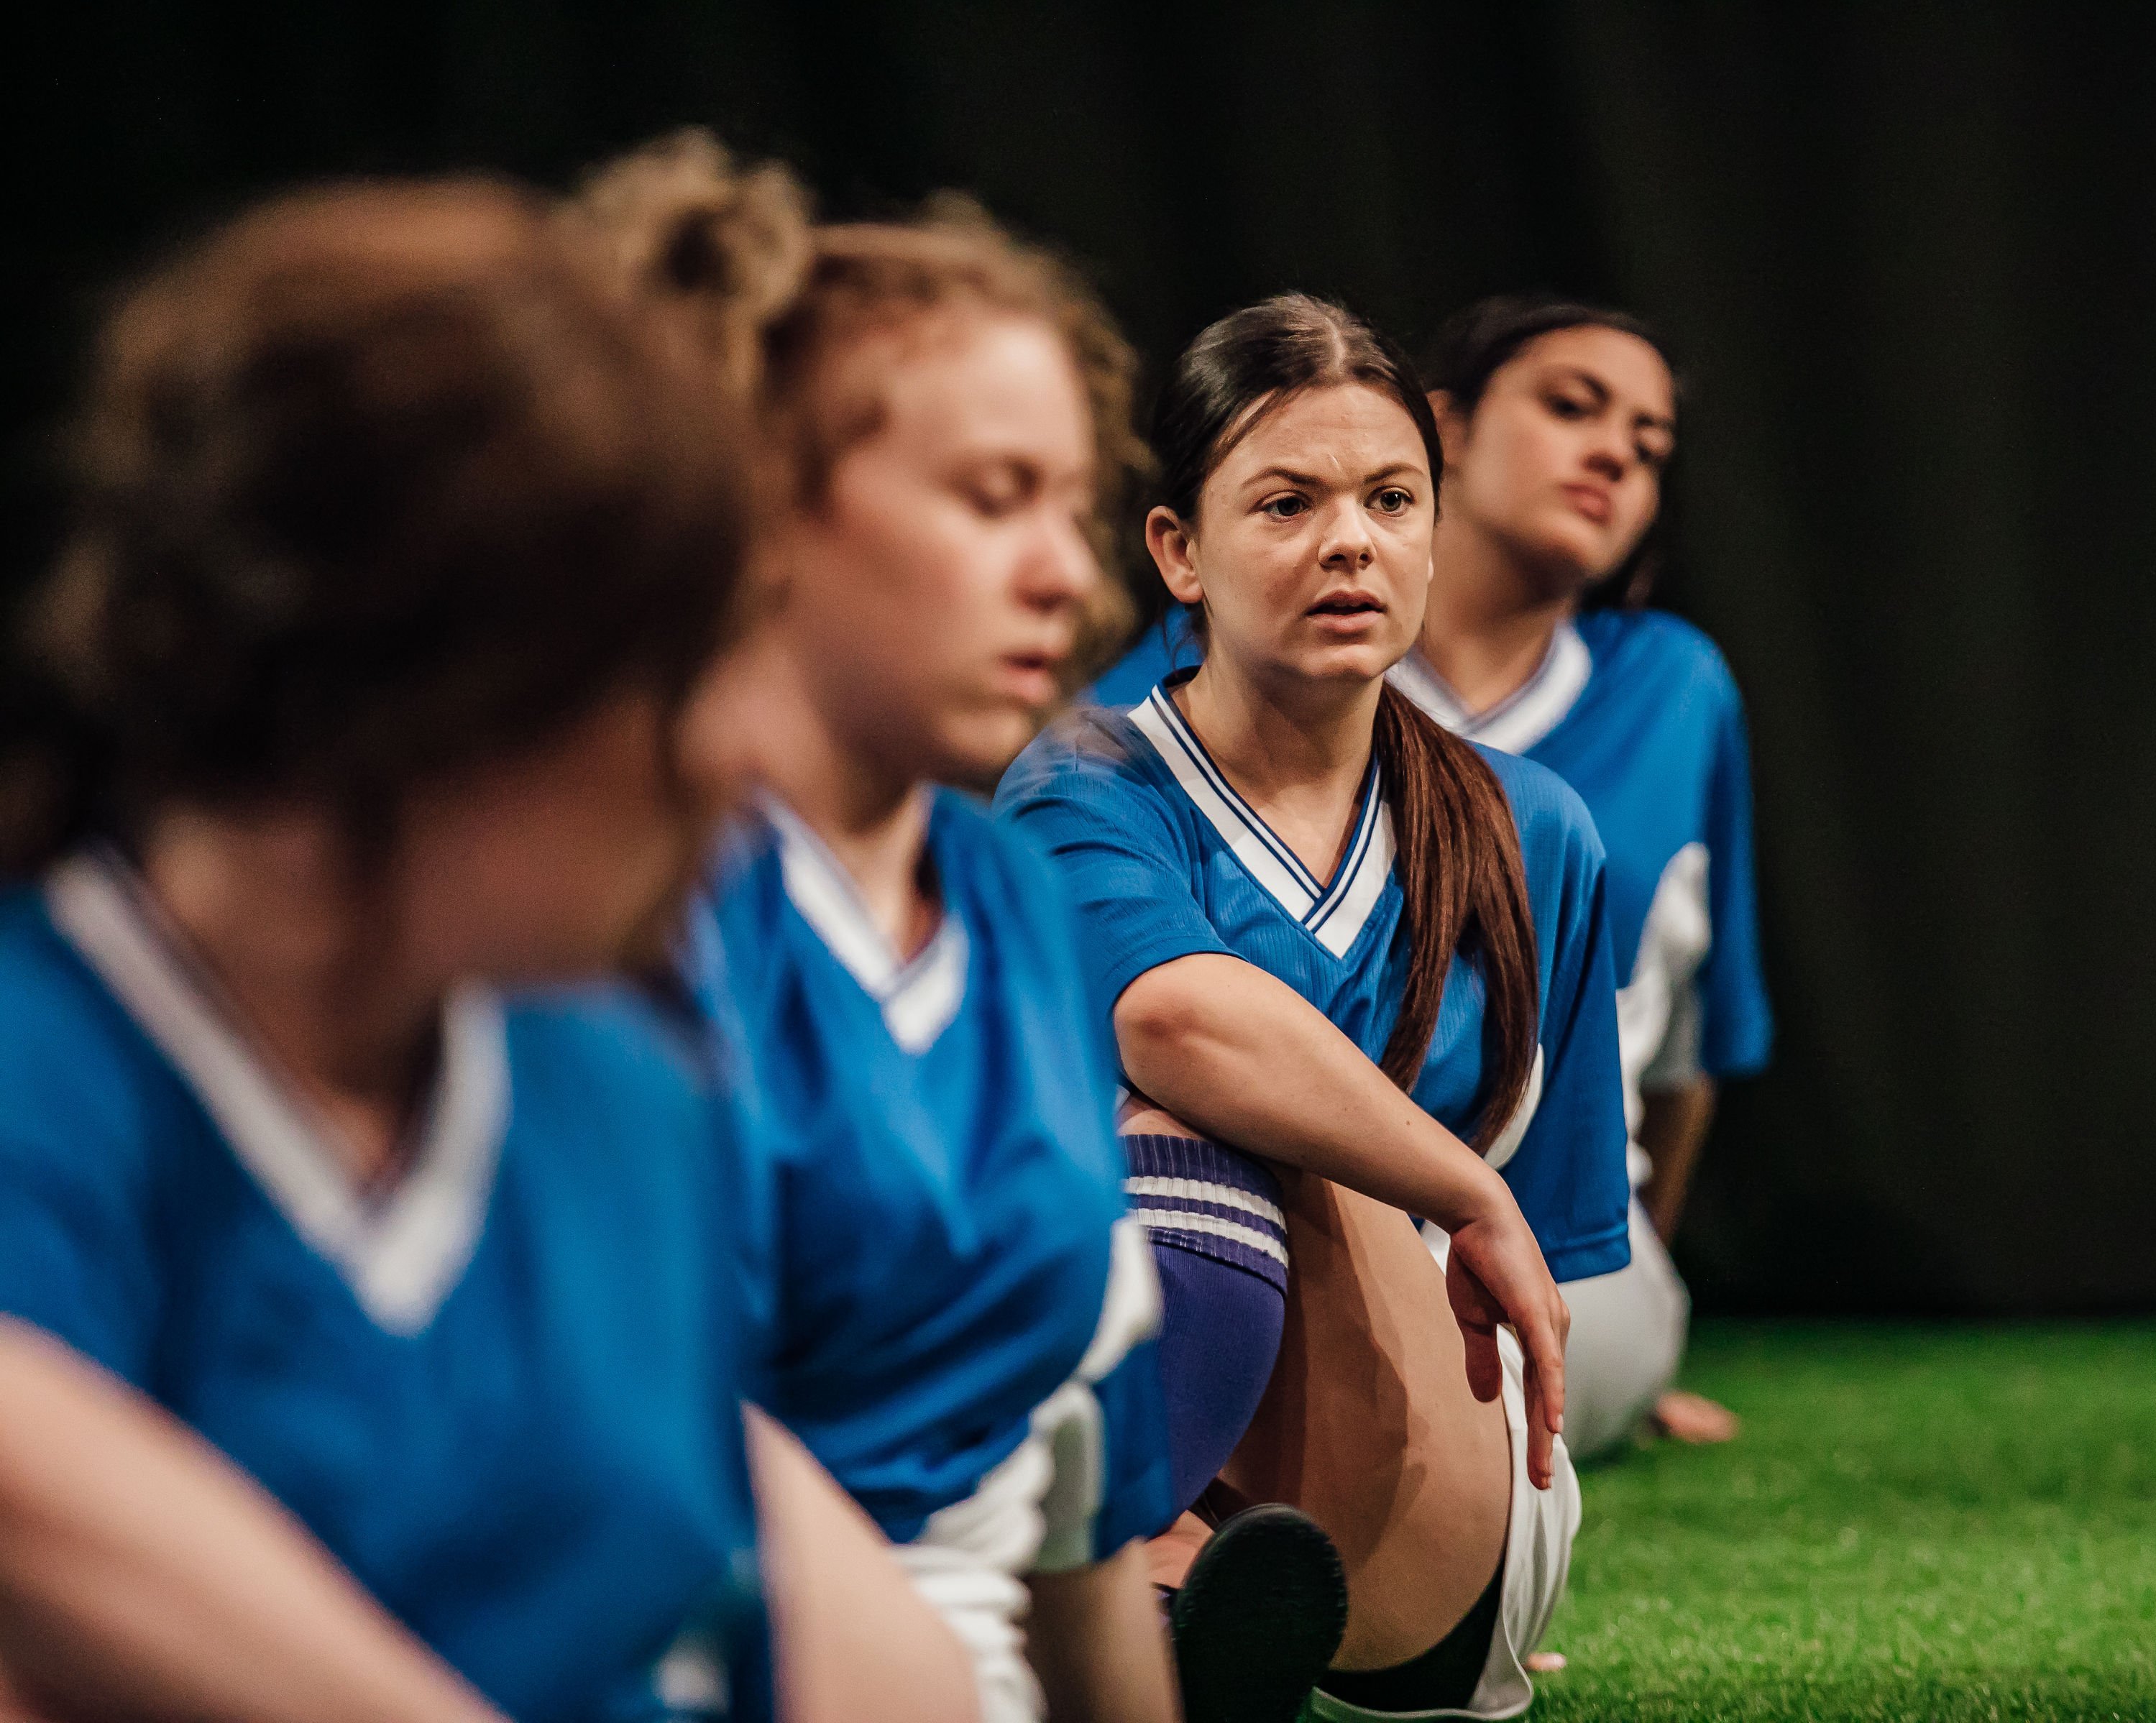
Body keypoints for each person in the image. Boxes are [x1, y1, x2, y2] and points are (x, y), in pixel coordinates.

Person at [0, 178, 976, 1721]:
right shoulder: (54, 1073)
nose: (737, 753)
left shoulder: (622, 1093)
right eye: (667, 677)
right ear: (417, 700)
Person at [574, 135, 1194, 1723]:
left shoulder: (1012, 898)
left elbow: (1078, 1500)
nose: (1065, 573)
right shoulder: (603, 908)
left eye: (1074, 506)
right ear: (763, 504)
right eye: (995, 497)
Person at [999, 293, 1631, 1721]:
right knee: (1186, 1098)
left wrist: (1464, 1218)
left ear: (1434, 531)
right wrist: (1463, 1182)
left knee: (1211, 1122)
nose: (1351, 541)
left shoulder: (1539, 831)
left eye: (1391, 499)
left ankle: (1122, 1598)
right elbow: (1178, 1017)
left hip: (1425, 1490)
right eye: (1288, 504)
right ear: (1179, 551)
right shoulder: (1082, 782)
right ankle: (1169, 1596)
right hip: (1132, 1423)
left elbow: (1555, 1265)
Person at [1091, 296, 1771, 1460]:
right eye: (1572, 406)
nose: (1616, 453)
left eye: (1650, 443)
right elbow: (1149, 1020)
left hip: (1507, 1237)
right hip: (1217, 1222)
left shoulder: (1638, 724)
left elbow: (1675, 1061)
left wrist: (1605, 1285)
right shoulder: (1117, 743)